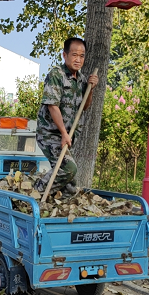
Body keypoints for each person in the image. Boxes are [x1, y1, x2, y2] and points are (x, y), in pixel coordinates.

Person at [34, 37, 99, 196]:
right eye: (74, 55)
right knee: (68, 168)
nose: (78, 59)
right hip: (50, 134)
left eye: (82, 56)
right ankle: (34, 193)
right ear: (65, 55)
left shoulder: (82, 79)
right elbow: (52, 106)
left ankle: (64, 206)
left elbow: (85, 106)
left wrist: (90, 89)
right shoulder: (57, 74)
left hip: (67, 135)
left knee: (70, 181)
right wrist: (63, 133)